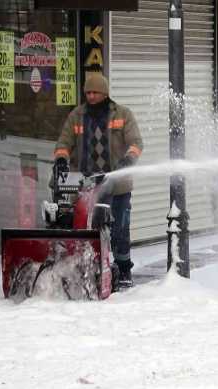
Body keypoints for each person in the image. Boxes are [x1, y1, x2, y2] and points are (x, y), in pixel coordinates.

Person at [53, 74, 143, 289]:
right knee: (86, 226)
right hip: (86, 184)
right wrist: (62, 159)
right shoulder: (77, 116)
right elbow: (63, 142)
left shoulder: (123, 114)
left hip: (116, 183)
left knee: (119, 228)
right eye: (88, 93)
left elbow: (136, 142)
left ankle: (123, 269)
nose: (91, 96)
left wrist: (129, 158)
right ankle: (87, 266)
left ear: (105, 93)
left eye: (95, 93)